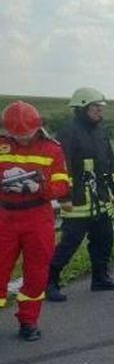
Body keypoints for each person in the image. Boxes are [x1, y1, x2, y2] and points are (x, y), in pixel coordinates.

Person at [47, 87, 114, 302]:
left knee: (104, 238)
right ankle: (50, 282)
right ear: (82, 108)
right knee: (70, 243)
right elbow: (61, 167)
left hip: (100, 197)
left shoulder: (101, 130)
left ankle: (100, 278)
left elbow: (110, 160)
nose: (100, 111)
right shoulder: (68, 132)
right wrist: (65, 196)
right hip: (77, 199)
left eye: (101, 107)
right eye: (95, 107)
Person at [0, 101, 70, 341]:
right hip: (4, 217)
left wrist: (38, 187)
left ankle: (28, 321)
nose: (22, 139)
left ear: (38, 127)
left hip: (37, 217)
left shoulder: (52, 149)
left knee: (36, 273)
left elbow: (62, 186)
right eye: (16, 135)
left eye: (27, 134)